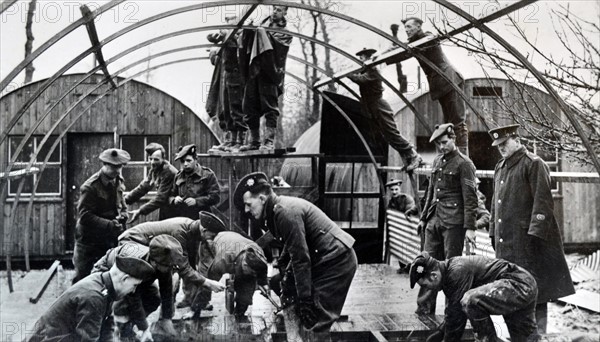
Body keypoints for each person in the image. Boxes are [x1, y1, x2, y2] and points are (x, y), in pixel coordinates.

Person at [233, 172, 357, 333]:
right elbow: (291, 248)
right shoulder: (274, 212)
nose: (246, 209)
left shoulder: (284, 212)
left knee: (315, 321)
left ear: (262, 199)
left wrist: (305, 300)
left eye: (249, 204)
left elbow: (301, 259)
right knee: (280, 282)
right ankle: (295, 326)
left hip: (337, 261)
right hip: (324, 258)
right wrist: (285, 278)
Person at [488, 124, 574, 332]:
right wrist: (493, 232)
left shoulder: (533, 164)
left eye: (504, 143)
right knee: (511, 291)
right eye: (498, 145)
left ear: (517, 140)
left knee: (536, 291)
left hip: (528, 245)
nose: (501, 148)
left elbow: (542, 203)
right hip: (507, 244)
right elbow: (495, 205)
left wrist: (534, 238)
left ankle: (537, 335)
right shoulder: (501, 167)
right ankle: (517, 335)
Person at [417, 123, 478, 315]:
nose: (441, 147)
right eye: (438, 145)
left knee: (452, 268)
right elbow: (430, 192)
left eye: (444, 143)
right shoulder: (437, 161)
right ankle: (424, 310)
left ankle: (452, 313)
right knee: (427, 264)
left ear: (453, 139)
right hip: (434, 220)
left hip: (453, 223)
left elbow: (470, 197)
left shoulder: (464, 164)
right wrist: (423, 217)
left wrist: (470, 227)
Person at [409, 252, 539, 341]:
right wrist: (440, 332)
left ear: (433, 276)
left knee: (470, 301)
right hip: (523, 283)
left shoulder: (455, 272)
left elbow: (456, 317)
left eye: (425, 285)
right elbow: (452, 312)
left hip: (518, 284)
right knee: (524, 337)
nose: (426, 289)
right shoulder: (449, 272)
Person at [92, 235, 200, 341]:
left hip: (137, 280)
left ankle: (130, 325)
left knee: (154, 297)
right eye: (168, 266)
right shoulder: (137, 265)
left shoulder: (163, 261)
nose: (171, 269)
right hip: (107, 273)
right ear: (154, 262)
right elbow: (133, 298)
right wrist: (144, 327)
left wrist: (166, 318)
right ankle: (120, 332)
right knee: (120, 307)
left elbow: (166, 290)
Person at [27, 256, 154, 342]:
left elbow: (107, 324)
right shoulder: (94, 297)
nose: (133, 291)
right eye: (134, 285)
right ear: (124, 279)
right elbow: (88, 339)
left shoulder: (103, 282)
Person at [118, 213, 227, 309]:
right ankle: (124, 318)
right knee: (137, 283)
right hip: (132, 242)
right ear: (204, 230)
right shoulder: (180, 232)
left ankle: (160, 319)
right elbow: (183, 266)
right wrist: (208, 283)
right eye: (212, 236)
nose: (212, 239)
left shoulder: (191, 228)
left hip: (143, 244)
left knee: (162, 277)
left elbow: (185, 264)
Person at [399, 17, 469, 155]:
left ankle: (464, 159)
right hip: (441, 85)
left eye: (409, 27)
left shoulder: (426, 37)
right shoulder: (414, 44)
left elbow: (430, 40)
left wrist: (408, 44)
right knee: (450, 124)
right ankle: (454, 156)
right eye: (405, 28)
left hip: (449, 80)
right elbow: (402, 52)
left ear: (419, 26)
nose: (406, 30)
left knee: (458, 123)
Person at [348, 47, 423, 172]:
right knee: (388, 136)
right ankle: (407, 158)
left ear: (367, 58)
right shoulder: (365, 71)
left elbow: (361, 80)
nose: (360, 61)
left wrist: (349, 74)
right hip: (372, 107)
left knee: (392, 133)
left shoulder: (372, 70)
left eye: (362, 58)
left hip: (379, 106)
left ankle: (414, 155)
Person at [72, 148, 130, 284]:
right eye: (114, 167)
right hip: (89, 240)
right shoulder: (90, 187)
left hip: (108, 238)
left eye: (120, 167)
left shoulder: (117, 180)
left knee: (107, 275)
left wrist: (124, 213)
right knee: (83, 276)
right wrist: (109, 224)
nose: (117, 170)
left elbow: (121, 201)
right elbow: (85, 215)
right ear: (105, 165)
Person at [239, 5, 293, 151]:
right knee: (249, 105)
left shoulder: (285, 33)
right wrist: (250, 32)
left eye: (279, 10)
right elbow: (251, 42)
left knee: (270, 105)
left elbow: (279, 50)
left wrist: (262, 35)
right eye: (274, 8)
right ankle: (254, 141)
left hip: (270, 73)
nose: (275, 12)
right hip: (255, 70)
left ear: (285, 13)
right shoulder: (263, 25)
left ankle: (269, 141)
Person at [190, 230, 269, 319]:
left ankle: (239, 313)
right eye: (251, 272)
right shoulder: (222, 261)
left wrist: (264, 283)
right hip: (212, 244)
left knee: (247, 286)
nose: (254, 275)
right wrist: (195, 311)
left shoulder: (258, 253)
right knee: (205, 277)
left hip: (237, 243)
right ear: (245, 264)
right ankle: (196, 308)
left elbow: (262, 269)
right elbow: (207, 284)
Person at [206, 15, 248, 152]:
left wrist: (230, 35)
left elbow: (241, 50)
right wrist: (216, 36)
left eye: (231, 25)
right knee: (226, 109)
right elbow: (211, 37)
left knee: (237, 108)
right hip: (228, 78)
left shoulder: (242, 37)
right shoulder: (226, 38)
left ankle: (240, 141)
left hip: (238, 78)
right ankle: (231, 140)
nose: (228, 28)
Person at [125, 143, 178, 222]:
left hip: (176, 210)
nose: (152, 162)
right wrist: (125, 200)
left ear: (163, 159)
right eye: (150, 159)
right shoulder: (155, 169)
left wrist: (140, 211)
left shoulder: (168, 171)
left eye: (156, 159)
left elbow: (160, 199)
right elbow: (144, 187)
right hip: (165, 207)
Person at [169, 144, 221, 219]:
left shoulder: (207, 175)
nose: (185, 164)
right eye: (182, 161)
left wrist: (197, 201)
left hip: (202, 217)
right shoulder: (178, 176)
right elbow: (170, 195)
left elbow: (215, 197)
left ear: (196, 160)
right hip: (182, 218)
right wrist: (174, 200)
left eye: (188, 160)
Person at [389, 23, 408, 93]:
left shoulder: (394, 38)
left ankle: (403, 88)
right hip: (396, 59)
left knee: (400, 70)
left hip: (398, 59)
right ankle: (403, 88)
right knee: (399, 69)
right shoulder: (394, 38)